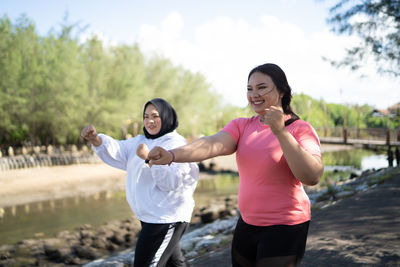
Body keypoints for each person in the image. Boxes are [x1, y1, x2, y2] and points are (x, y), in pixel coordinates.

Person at [147, 63, 324, 266]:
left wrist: (281, 132)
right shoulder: (242, 125)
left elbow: (312, 176)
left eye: (262, 87)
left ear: (282, 91)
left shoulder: (301, 129)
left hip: (285, 225)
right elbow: (211, 144)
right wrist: (171, 155)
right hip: (247, 223)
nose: (254, 94)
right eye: (249, 88)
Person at [81, 98, 199, 267]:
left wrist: (149, 159)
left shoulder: (175, 144)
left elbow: (171, 181)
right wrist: (96, 140)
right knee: (175, 264)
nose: (149, 121)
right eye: (146, 116)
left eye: (155, 116)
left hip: (166, 218)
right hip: (150, 216)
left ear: (166, 117)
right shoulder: (140, 140)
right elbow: (119, 149)